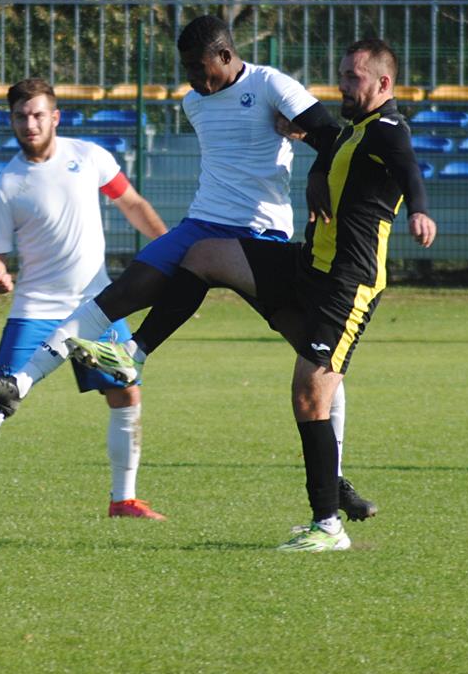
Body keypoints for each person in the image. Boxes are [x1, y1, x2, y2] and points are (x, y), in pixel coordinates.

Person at [0, 15, 377, 522]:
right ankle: (17, 386)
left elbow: (333, 136)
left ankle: (331, 477)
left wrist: (309, 163)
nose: (193, 82)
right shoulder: (194, 102)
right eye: (185, 71)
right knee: (117, 295)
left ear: (225, 56)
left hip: (259, 237)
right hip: (201, 225)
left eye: (199, 70)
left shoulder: (271, 85)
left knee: (319, 356)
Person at [67, 38, 435, 551]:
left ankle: (327, 526)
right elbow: (335, 158)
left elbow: (408, 167)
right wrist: (303, 141)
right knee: (204, 254)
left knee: (311, 396)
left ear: (383, 83)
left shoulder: (389, 130)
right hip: (310, 263)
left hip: (347, 285)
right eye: (343, 74)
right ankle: (132, 354)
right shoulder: (354, 132)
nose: (343, 84)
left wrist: (419, 208)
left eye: (353, 77)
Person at [0, 79, 169, 524]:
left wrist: (170, 250)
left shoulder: (89, 157)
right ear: (10, 120)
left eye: (37, 114)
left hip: (97, 304)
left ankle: (123, 500)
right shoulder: (6, 185)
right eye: (20, 116)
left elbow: (131, 202)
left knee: (126, 393)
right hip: (34, 309)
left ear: (55, 117)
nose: (29, 124)